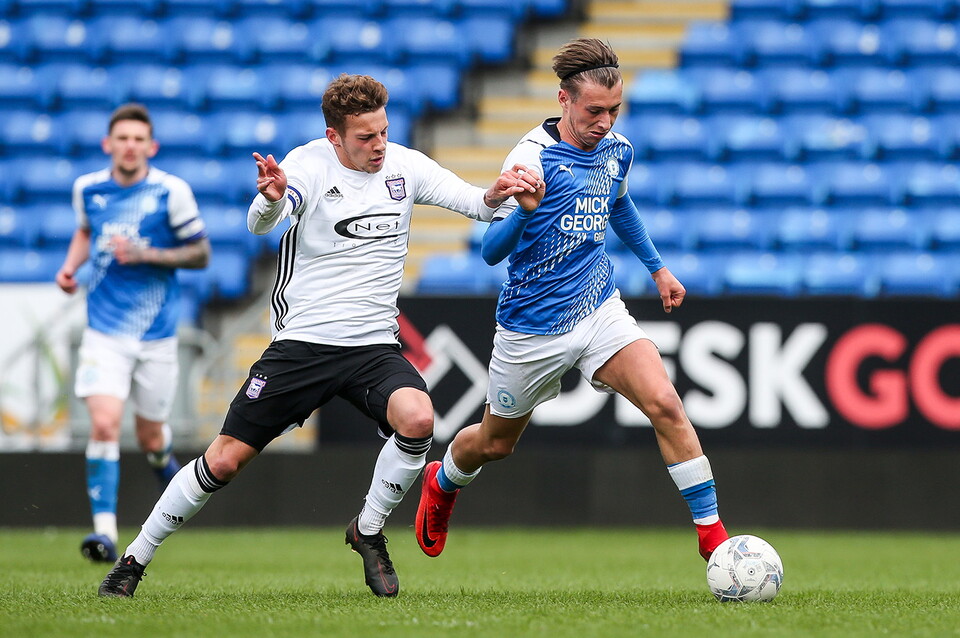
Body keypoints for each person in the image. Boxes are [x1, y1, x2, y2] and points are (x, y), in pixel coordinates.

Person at [97, 73, 540, 599]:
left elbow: (477, 205)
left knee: (419, 418)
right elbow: (263, 222)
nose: (379, 146)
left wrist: (498, 192)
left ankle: (368, 532)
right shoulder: (306, 164)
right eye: (365, 137)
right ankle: (133, 560)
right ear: (335, 137)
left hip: (373, 345)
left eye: (383, 131)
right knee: (223, 460)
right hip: (303, 343)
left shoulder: (405, 165)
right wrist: (270, 199)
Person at [415, 38, 731, 564]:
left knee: (666, 404)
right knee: (495, 443)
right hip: (531, 327)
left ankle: (713, 538)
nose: (605, 122)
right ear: (564, 100)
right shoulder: (530, 158)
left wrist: (657, 267)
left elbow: (619, 201)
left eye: (614, 110)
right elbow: (492, 253)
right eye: (594, 111)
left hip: (599, 306)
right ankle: (443, 481)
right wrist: (521, 210)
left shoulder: (617, 150)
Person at [56, 103, 211, 565]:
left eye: (138, 139)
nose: (129, 146)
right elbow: (86, 231)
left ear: (151, 146)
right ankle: (104, 533)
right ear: (108, 145)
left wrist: (147, 255)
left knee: (149, 436)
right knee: (103, 423)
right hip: (104, 331)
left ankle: (161, 460)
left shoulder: (170, 191)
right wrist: (69, 267)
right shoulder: (88, 189)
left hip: (157, 335)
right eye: (121, 138)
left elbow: (200, 253)